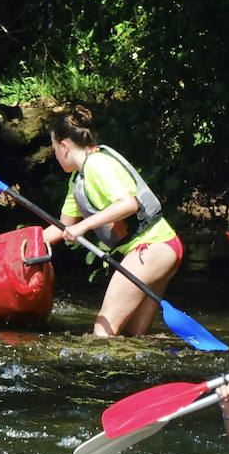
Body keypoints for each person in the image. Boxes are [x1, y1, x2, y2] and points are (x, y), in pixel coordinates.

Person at [44, 105, 183, 337]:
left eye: (54, 149)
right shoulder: (77, 181)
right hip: (163, 247)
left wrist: (83, 226)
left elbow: (129, 204)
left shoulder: (97, 164)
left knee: (103, 330)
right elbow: (62, 228)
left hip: (152, 247)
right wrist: (21, 249)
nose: (55, 155)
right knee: (134, 336)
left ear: (65, 146)